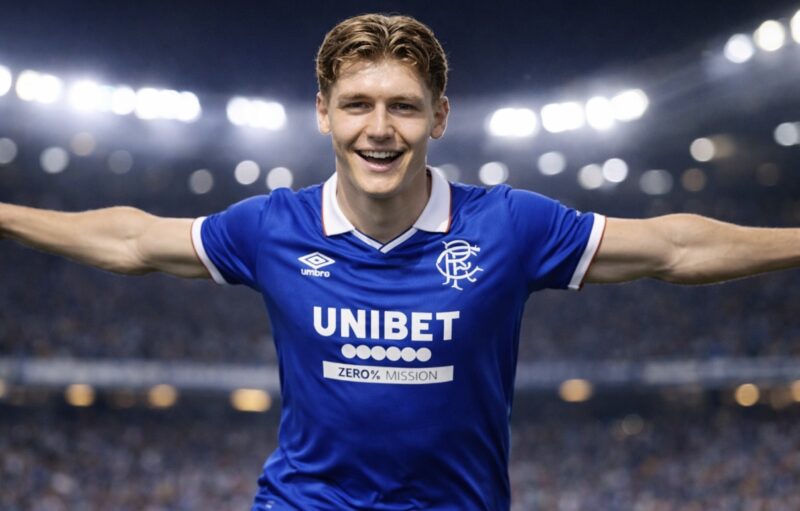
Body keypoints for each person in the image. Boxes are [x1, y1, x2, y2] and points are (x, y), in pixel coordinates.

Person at [1, 12, 799, 511]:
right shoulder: (273, 226)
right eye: (357, 103)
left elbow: (674, 247)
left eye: (403, 106)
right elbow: (135, 240)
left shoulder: (508, 225)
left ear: (439, 117)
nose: (379, 128)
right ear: (323, 113)